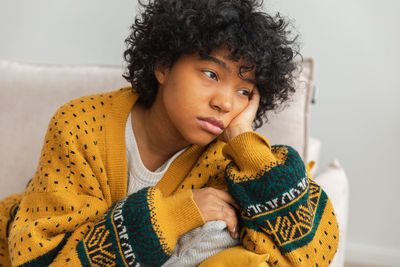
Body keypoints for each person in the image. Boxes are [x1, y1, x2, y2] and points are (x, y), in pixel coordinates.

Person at [0, 0, 339, 266]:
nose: (224, 102)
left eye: (244, 92)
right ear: (162, 65)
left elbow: (308, 257)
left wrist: (243, 140)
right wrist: (178, 212)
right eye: (210, 74)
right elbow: (41, 259)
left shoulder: (230, 160)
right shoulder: (80, 125)